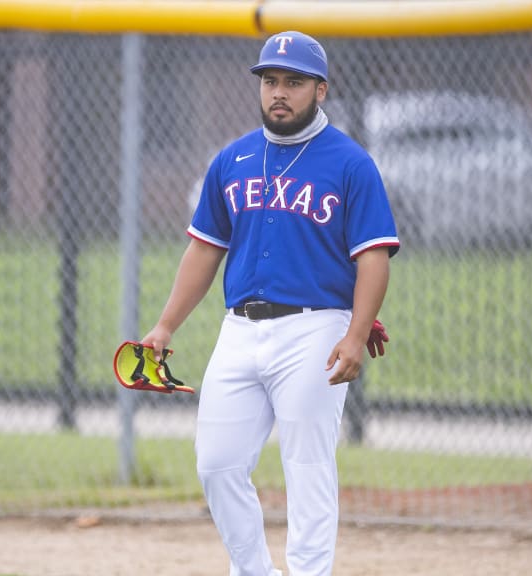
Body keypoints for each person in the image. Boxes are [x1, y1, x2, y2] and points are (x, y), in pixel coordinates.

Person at [141, 30, 400, 576]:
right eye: (271, 80)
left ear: (321, 90)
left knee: (307, 467)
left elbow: (374, 257)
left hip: (315, 329)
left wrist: (354, 334)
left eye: (294, 82)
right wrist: (165, 327)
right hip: (239, 329)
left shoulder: (351, 164)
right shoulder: (232, 159)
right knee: (216, 465)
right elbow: (204, 250)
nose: (279, 92)